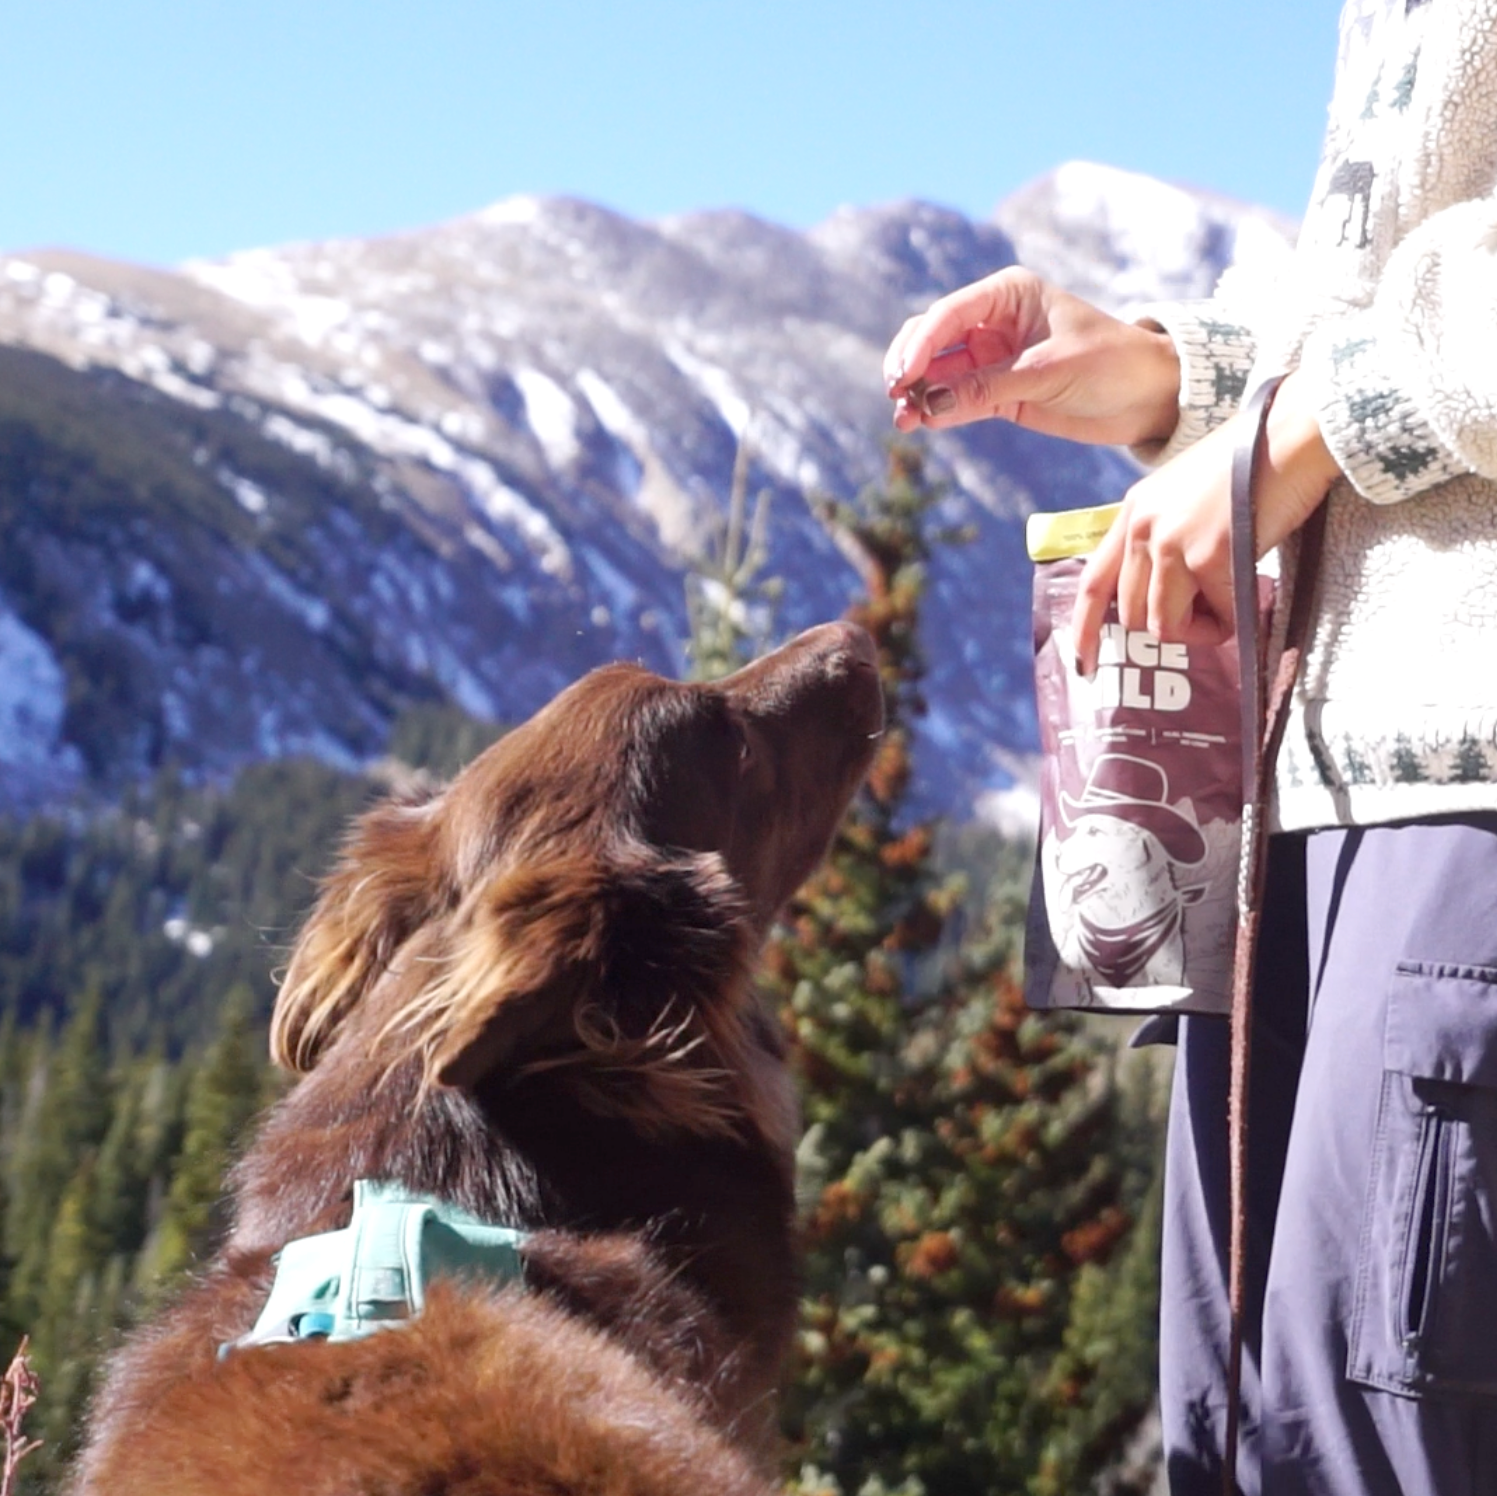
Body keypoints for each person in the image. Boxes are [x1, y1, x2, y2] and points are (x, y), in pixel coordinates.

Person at [884, 3, 1497, 1493]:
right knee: (1245, 1432)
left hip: (1461, 792)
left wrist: (1282, 445)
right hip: (1310, 790)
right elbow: (1398, 288)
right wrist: (1169, 380)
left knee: (1375, 1436)